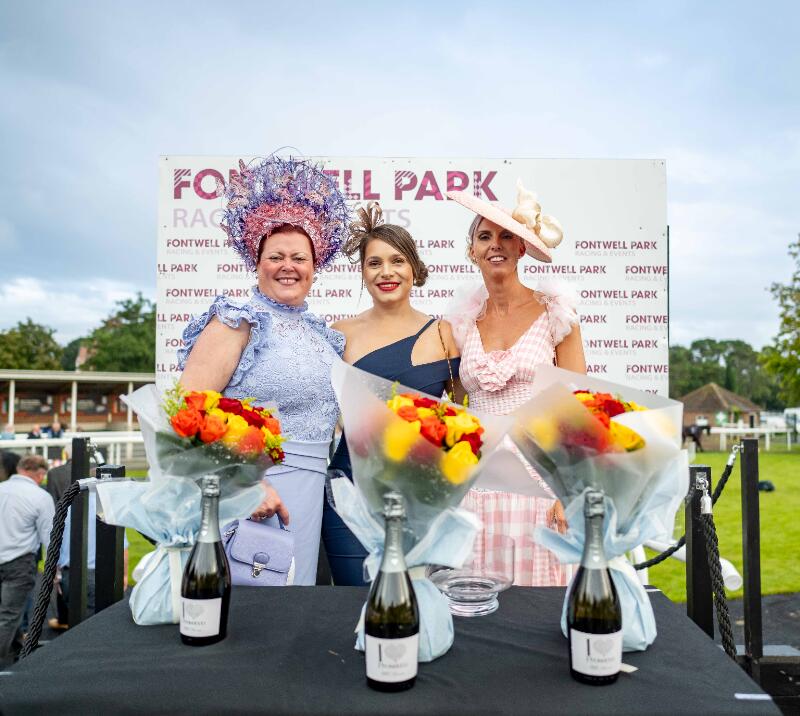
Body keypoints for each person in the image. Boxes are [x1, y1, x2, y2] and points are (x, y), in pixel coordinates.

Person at [178, 156, 350, 586]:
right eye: (276, 256)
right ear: (257, 262)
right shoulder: (237, 320)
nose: (287, 266)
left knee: (292, 615)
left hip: (309, 494)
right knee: (246, 617)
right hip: (252, 493)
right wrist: (245, 484)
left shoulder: (321, 336)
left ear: (315, 267)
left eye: (299, 257)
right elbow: (187, 408)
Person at [445, 181, 586, 587]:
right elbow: (458, 410)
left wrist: (570, 489)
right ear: (472, 250)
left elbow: (577, 406)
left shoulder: (556, 312)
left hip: (542, 477)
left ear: (522, 248)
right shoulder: (461, 324)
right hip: (480, 482)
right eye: (485, 236)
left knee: (541, 593)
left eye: (507, 236)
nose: (496, 245)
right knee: (480, 593)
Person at [327, 202, 460, 585]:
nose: (386, 272)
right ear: (363, 273)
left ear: (414, 269)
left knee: (416, 604)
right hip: (349, 492)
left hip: (422, 496)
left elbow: (464, 415)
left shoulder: (444, 334)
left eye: (397, 261)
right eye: (374, 263)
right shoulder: (340, 334)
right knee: (351, 604)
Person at [0, 454, 54, 666]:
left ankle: (14, 655)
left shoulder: (2, 488)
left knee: (7, 616)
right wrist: (54, 572)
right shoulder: (40, 497)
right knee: (8, 616)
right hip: (19, 562)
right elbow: (51, 537)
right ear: (40, 475)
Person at [49, 492, 129, 630]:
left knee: (76, 625)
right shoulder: (107, 508)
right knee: (96, 627)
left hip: (70, 573)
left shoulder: (67, 506)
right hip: (98, 573)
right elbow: (122, 546)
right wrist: (124, 574)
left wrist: (56, 574)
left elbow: (55, 544)